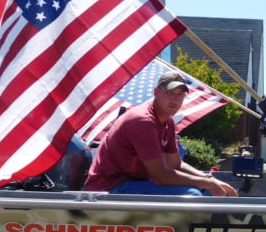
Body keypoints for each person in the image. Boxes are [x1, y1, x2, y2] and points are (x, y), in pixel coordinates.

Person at [84, 71, 238, 196]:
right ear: (156, 92)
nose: (175, 99)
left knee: (206, 189)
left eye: (180, 94)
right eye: (170, 92)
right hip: (109, 188)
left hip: (135, 183)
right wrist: (209, 183)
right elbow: (161, 176)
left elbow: (175, 164)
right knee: (192, 196)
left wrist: (210, 181)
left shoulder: (167, 121)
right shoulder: (143, 121)